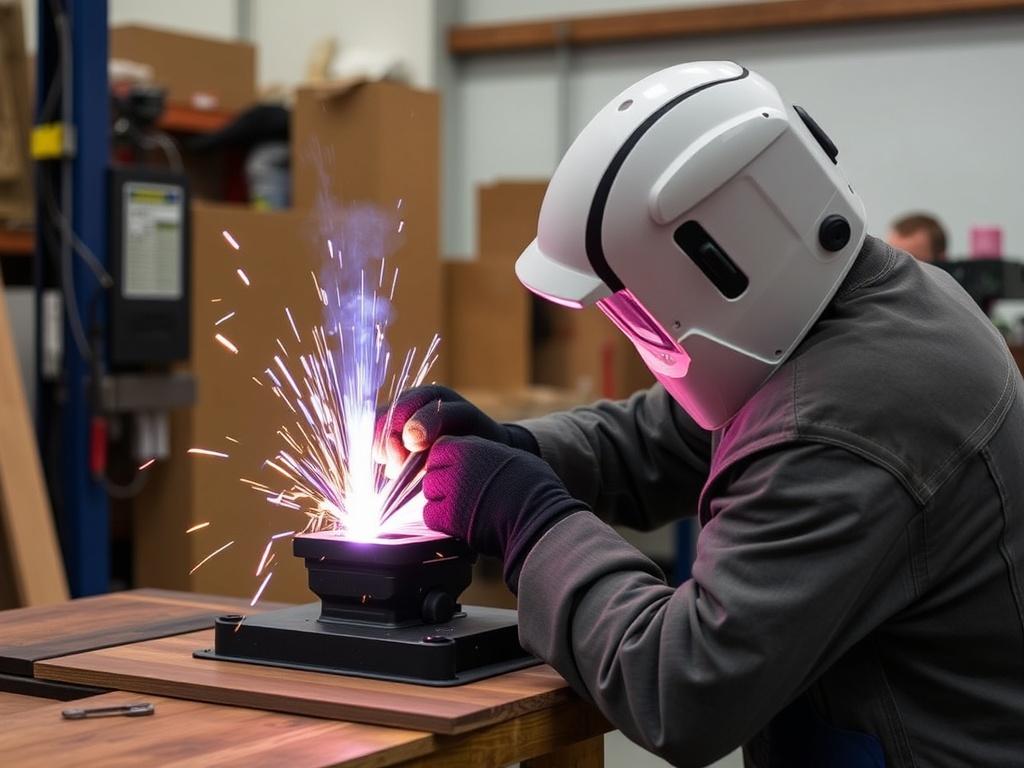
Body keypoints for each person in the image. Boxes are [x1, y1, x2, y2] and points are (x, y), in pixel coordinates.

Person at [377, 62, 1024, 767]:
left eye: (632, 303)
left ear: (721, 261)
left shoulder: (848, 419)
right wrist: (518, 448)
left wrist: (530, 523)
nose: (636, 327)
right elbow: (667, 435)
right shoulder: (859, 311)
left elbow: (676, 687)